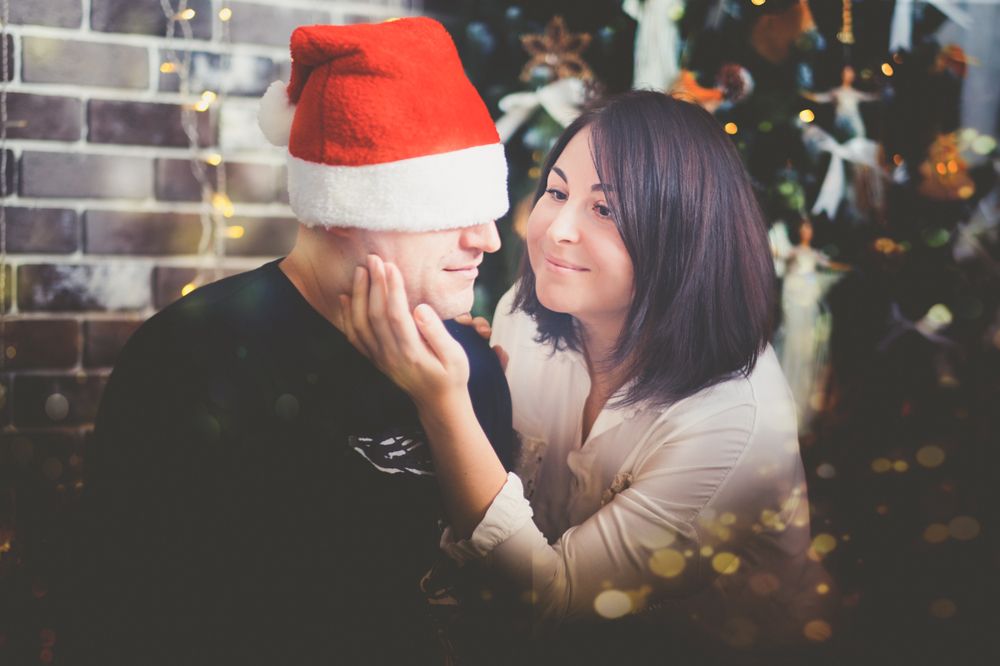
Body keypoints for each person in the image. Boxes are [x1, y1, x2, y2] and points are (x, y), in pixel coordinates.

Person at [66, 18, 512, 666]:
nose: (487, 240)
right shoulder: (186, 359)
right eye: (452, 208)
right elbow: (120, 613)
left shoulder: (467, 369)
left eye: (490, 208)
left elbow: (499, 607)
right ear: (348, 203)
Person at [342, 91, 831, 660]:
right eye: (556, 192)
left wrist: (444, 407)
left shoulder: (735, 418)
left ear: (685, 237)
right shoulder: (526, 313)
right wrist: (469, 394)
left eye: (605, 210)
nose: (557, 230)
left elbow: (553, 600)